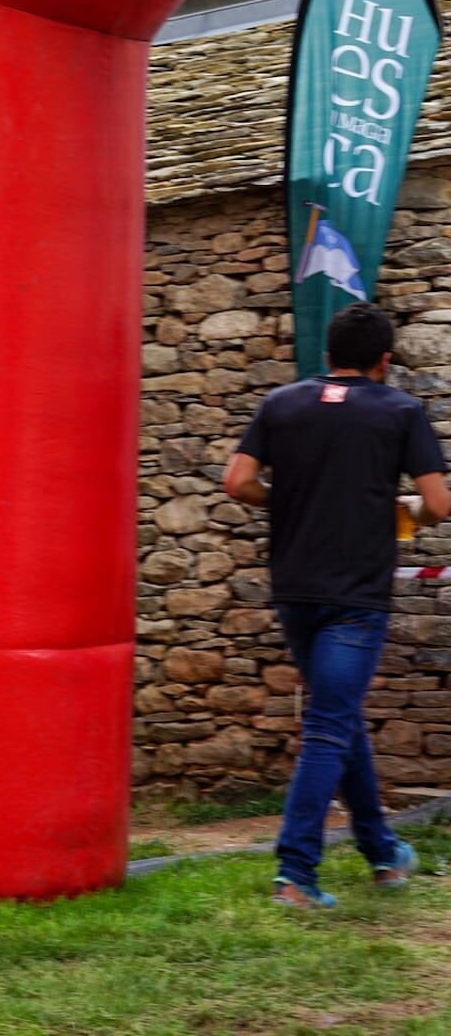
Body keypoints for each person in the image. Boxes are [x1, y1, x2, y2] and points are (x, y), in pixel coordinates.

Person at [223, 301, 444, 907]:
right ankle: (295, 873)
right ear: (385, 361)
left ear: (328, 356)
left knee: (336, 717)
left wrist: (288, 501)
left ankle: (383, 854)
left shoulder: (282, 404)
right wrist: (405, 515)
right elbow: (439, 503)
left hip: (295, 588)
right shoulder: (401, 410)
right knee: (328, 724)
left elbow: (238, 481)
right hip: (356, 596)